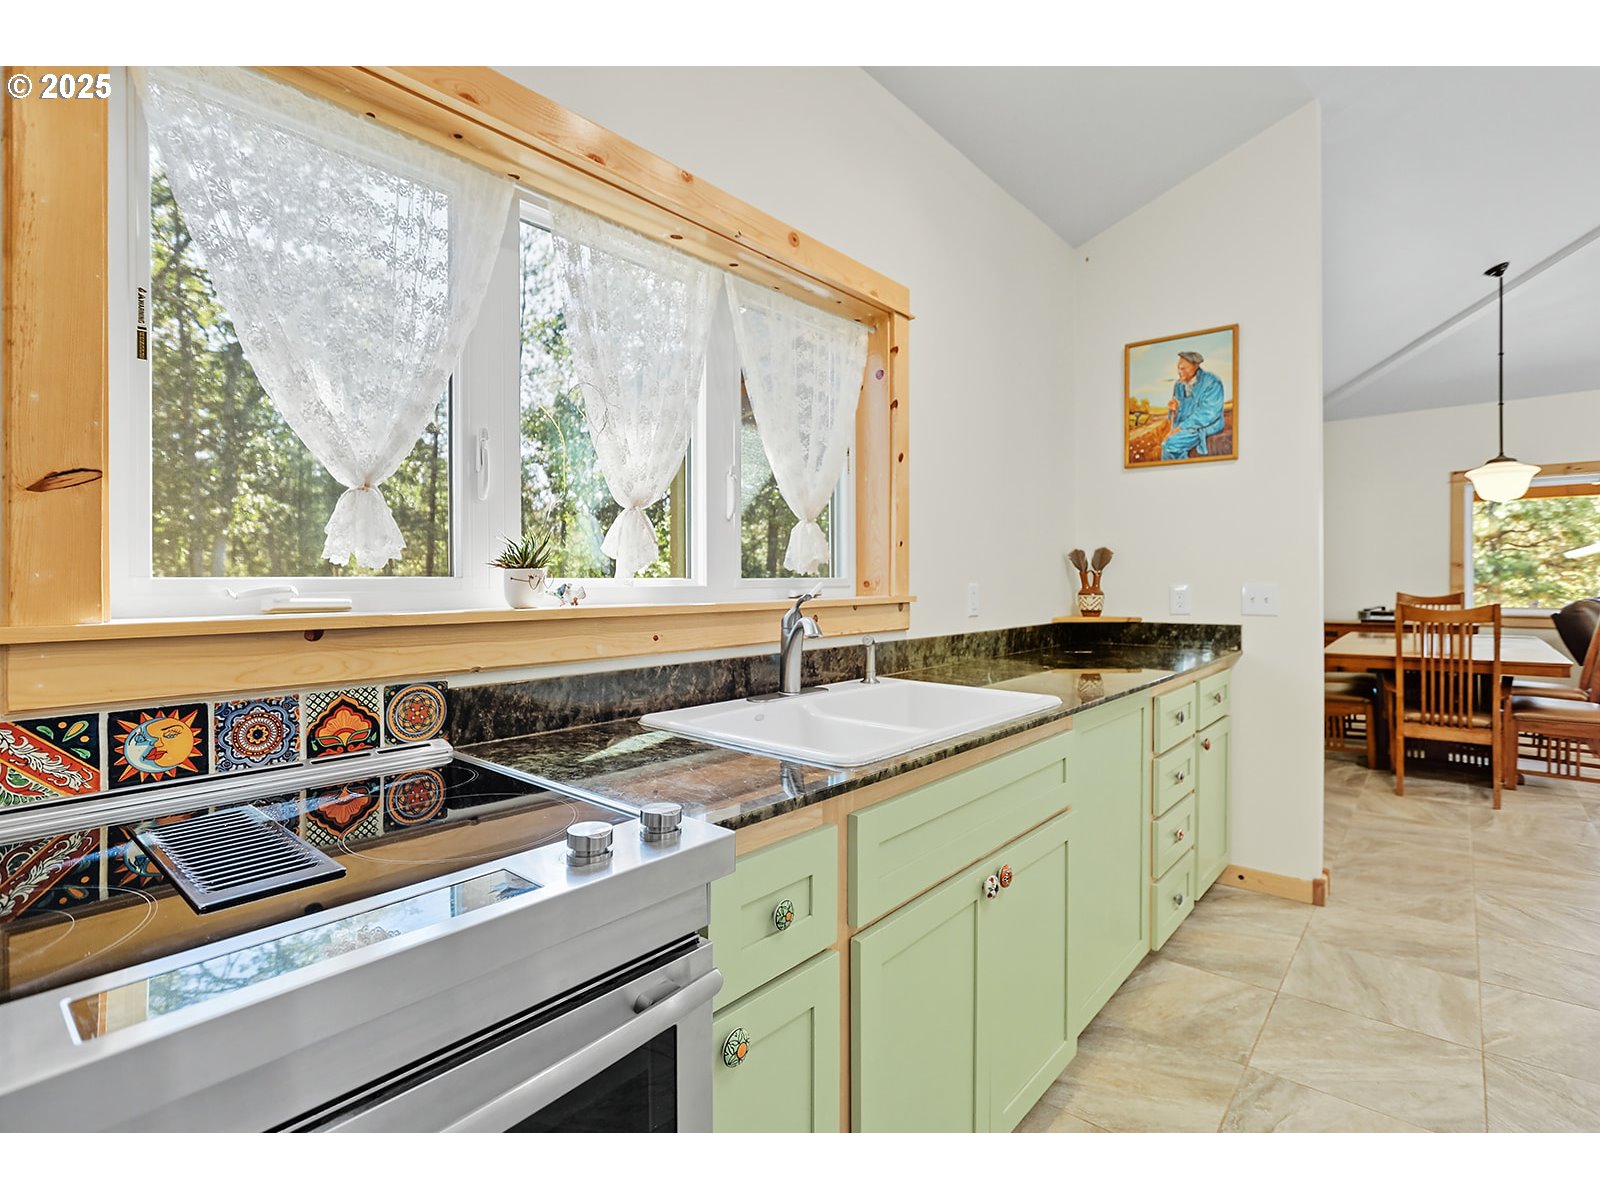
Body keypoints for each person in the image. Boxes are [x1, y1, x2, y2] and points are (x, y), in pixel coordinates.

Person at [1161, 350, 1226, 460]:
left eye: (1183, 368)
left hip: (1205, 425)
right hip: (1185, 426)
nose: (1179, 372)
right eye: (1178, 368)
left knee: (1170, 445)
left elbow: (1208, 414)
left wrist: (1181, 427)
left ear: (1195, 366)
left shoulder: (1212, 382)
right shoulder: (1179, 385)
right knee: (1167, 443)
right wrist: (1174, 409)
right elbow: (1176, 416)